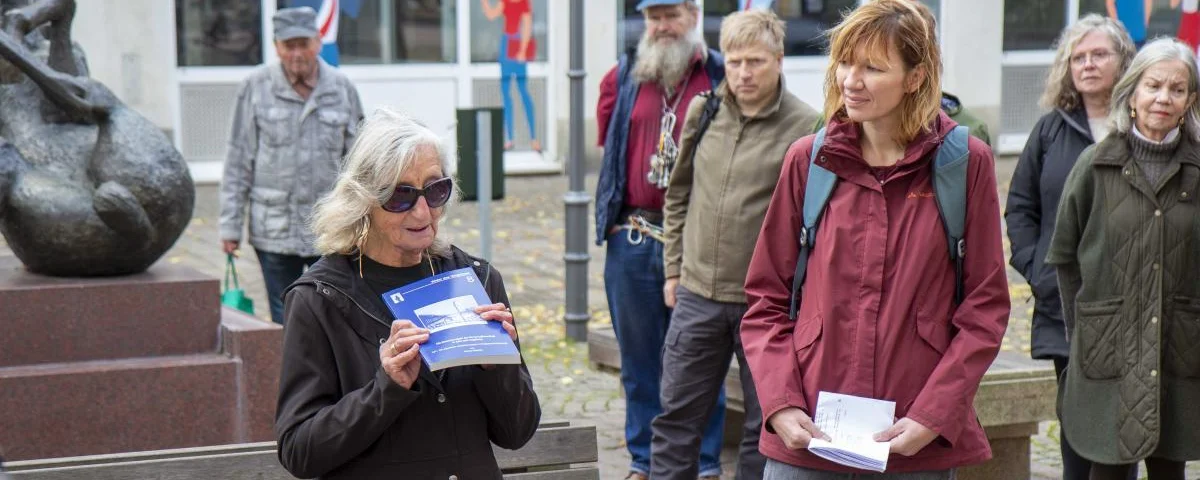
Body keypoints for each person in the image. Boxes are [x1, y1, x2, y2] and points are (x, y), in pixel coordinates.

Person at [740, 0, 1010, 477]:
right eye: (845, 62)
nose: (850, 80)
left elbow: (984, 309)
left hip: (914, 440)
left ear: (916, 77)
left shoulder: (965, 164)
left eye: (872, 67)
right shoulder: (809, 160)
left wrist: (933, 415)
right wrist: (780, 404)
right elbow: (766, 297)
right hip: (808, 435)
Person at [274, 108, 541, 479]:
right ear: (365, 200)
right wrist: (386, 388)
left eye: (435, 190)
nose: (422, 211)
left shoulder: (476, 279)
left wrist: (495, 368)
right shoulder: (319, 298)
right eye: (401, 196)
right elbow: (300, 451)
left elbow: (517, 432)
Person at [653, 9, 820, 480]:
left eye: (755, 61)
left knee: (762, 426)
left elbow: (813, 224)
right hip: (697, 296)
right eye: (734, 61)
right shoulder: (703, 110)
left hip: (765, 307)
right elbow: (678, 193)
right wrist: (673, 270)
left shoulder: (806, 127)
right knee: (675, 420)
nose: (744, 73)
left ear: (779, 60)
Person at [1046, 37, 1200, 480]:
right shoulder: (1095, 165)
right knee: (1106, 469)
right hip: (1107, 349)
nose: (1163, 98)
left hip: (1179, 347)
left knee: (1171, 467)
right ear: (1132, 92)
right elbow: (1066, 260)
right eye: (1153, 86)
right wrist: (1083, 333)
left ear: (1190, 100)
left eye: (1177, 89)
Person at [595, 0, 728, 477]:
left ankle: (705, 463)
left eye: (672, 14)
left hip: (699, 241)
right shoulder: (624, 76)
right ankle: (645, 461)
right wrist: (608, 218)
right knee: (639, 362)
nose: (662, 25)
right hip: (632, 239)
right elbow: (610, 155)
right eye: (654, 17)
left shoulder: (721, 75)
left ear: (694, 15)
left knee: (701, 358)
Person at [1004, 14, 1136, 480]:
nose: (1087, 64)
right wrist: (1041, 273)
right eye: (1077, 57)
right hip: (1067, 307)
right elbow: (1019, 209)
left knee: (1127, 424)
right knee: (1076, 421)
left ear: (1124, 61)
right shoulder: (1049, 131)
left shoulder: (1146, 129)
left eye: (1099, 54)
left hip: (1135, 308)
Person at [219, 6, 364, 325]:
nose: (297, 53)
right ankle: (289, 374)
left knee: (329, 315)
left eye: (303, 44)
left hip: (327, 228)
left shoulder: (341, 89)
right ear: (276, 47)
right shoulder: (254, 87)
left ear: (318, 42)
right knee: (284, 315)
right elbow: (237, 159)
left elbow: (359, 166)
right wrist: (230, 226)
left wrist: (362, 223)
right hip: (273, 228)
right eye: (289, 45)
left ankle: (328, 375)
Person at [481, 0, 540, 152]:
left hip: (517, 43)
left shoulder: (524, 3)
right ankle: (509, 138)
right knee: (506, 94)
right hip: (506, 44)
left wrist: (523, 49)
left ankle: (533, 138)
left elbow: (527, 25)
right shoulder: (505, 2)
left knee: (523, 92)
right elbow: (491, 15)